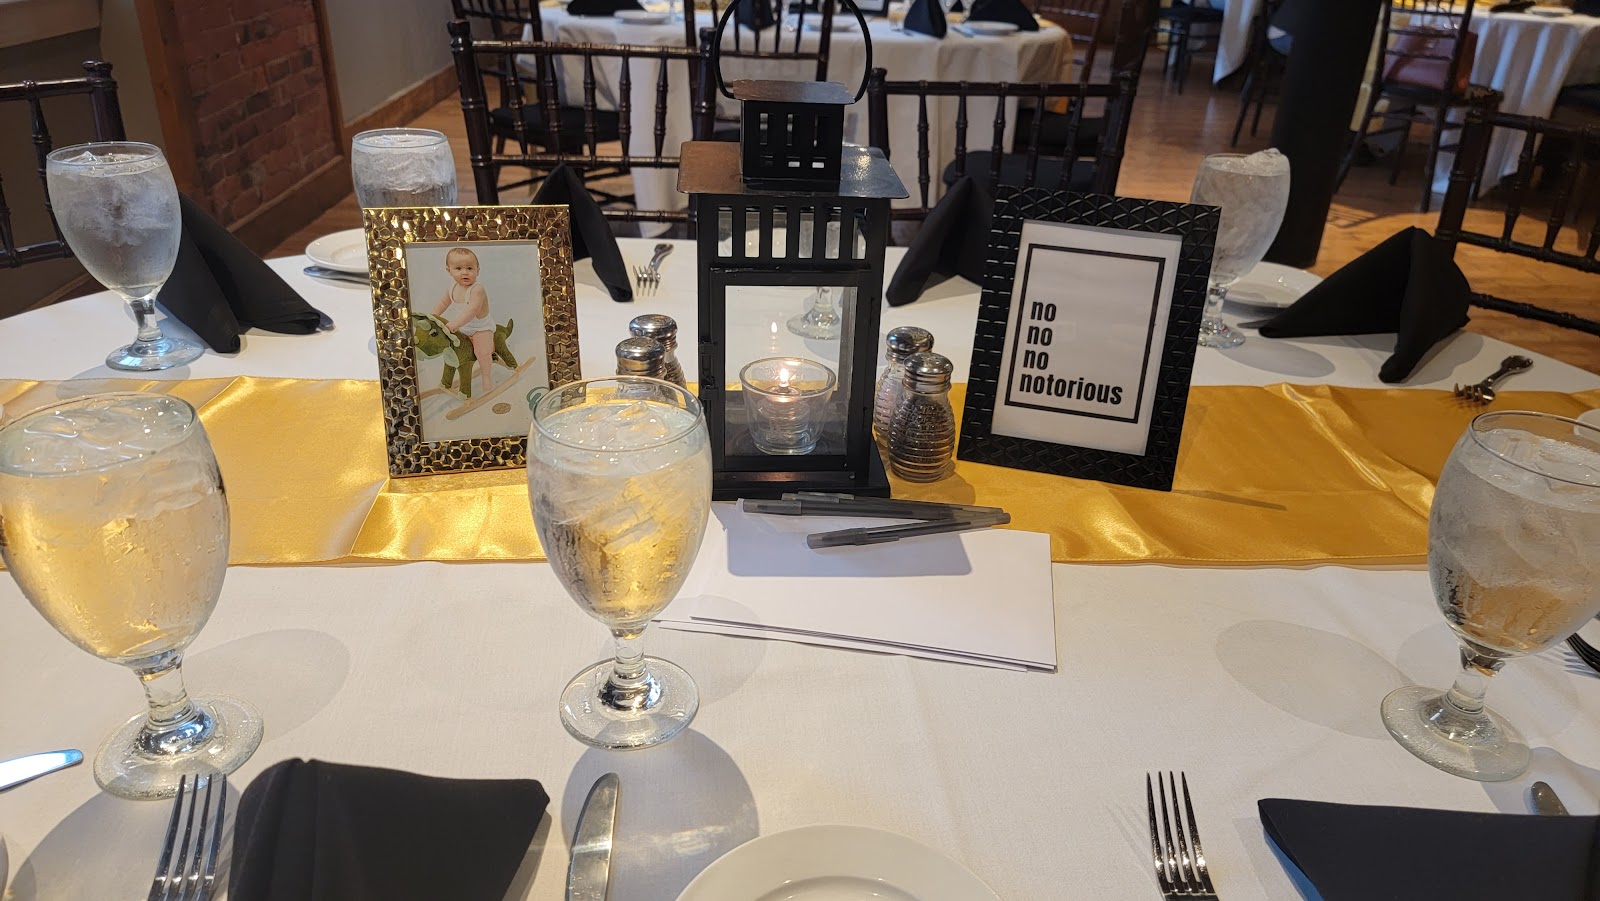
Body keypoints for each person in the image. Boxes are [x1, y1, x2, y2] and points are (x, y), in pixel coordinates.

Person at [433, 246, 496, 396]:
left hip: (480, 328)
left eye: (470, 268)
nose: (465, 272)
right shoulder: (452, 288)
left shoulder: (477, 289)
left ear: (478, 270)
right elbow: (443, 302)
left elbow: (472, 310)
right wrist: (433, 316)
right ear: (449, 270)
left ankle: (486, 376)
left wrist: (454, 324)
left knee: (482, 352)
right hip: (463, 327)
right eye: (458, 268)